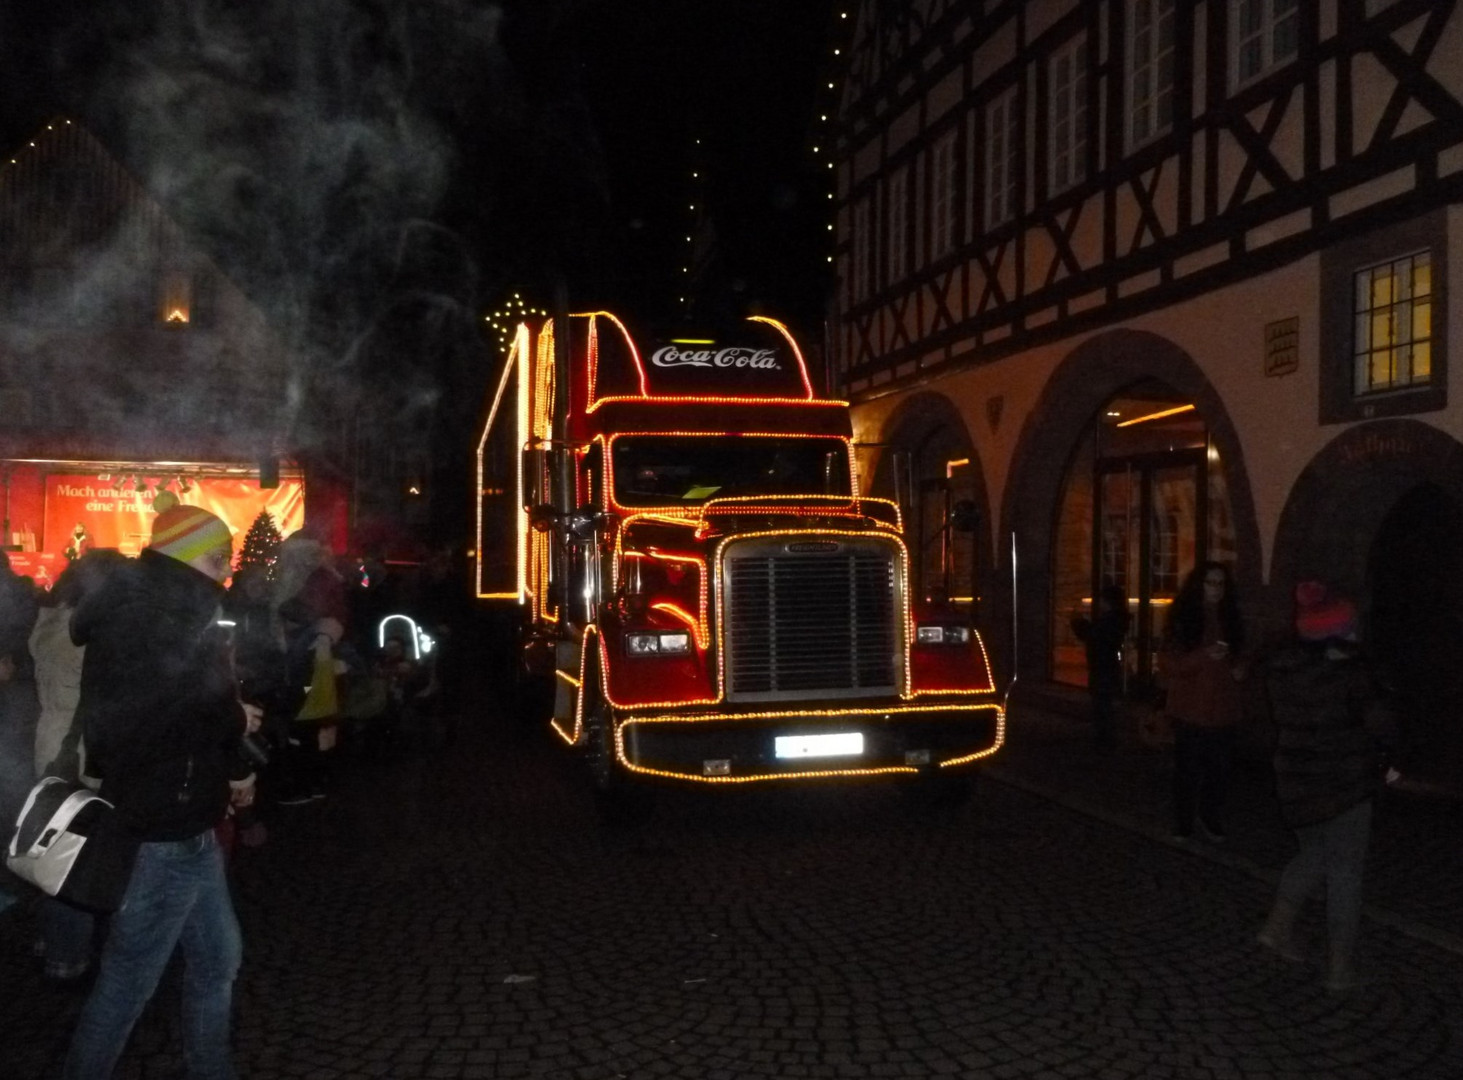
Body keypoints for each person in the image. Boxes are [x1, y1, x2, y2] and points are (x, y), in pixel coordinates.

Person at [63, 505, 261, 1079]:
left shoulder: (163, 605)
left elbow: (176, 703)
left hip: (185, 821)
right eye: (220, 557)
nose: (226, 572)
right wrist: (233, 716)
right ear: (190, 555)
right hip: (158, 826)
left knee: (217, 961)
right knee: (128, 983)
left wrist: (228, 736)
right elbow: (154, 716)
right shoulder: (155, 613)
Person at [1257, 581, 1396, 993]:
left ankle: (1276, 927)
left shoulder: (1284, 668)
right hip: (1345, 784)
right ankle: (1339, 967)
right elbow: (1382, 725)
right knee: (1345, 871)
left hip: (1296, 781)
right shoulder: (1352, 674)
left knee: (1314, 852)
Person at [27, 549, 127, 982]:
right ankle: (68, 952)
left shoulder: (48, 618)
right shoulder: (90, 629)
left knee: (55, 842)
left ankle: (54, 939)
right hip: (83, 749)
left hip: (51, 740)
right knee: (78, 854)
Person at [1160, 561, 1246, 841]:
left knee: (1219, 771)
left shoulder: (1231, 617)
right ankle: (1183, 821)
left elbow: (1242, 654)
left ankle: (1210, 817)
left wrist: (1238, 667)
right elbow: (1170, 664)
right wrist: (1203, 656)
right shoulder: (1184, 618)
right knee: (1187, 770)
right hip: (1191, 709)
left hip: (1224, 709)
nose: (1216, 589)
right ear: (1200, 585)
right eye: (1211, 583)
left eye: (1221, 584)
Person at [1072, 584, 1130, 752]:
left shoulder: (1110, 620)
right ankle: (1105, 739)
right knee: (1103, 704)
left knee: (1102, 705)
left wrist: (1079, 623)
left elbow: (1094, 636)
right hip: (1105, 666)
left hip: (1103, 666)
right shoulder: (1114, 619)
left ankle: (1105, 741)